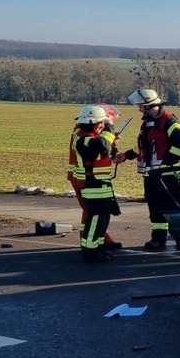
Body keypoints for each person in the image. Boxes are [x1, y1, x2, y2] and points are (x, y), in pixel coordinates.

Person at [123, 88, 180, 251]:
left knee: (174, 209)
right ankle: (158, 239)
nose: (139, 109)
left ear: (148, 105)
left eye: (141, 106)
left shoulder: (169, 121)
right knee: (155, 209)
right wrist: (126, 155)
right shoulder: (147, 123)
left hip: (167, 175)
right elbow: (144, 147)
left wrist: (169, 159)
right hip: (151, 175)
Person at [68, 104, 123, 251]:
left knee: (102, 217)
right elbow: (101, 146)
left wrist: (115, 146)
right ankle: (90, 250)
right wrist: (110, 129)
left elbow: (104, 150)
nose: (102, 127)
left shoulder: (89, 136)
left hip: (99, 183)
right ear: (95, 123)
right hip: (91, 184)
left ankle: (99, 245)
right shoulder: (83, 138)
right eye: (101, 124)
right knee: (95, 217)